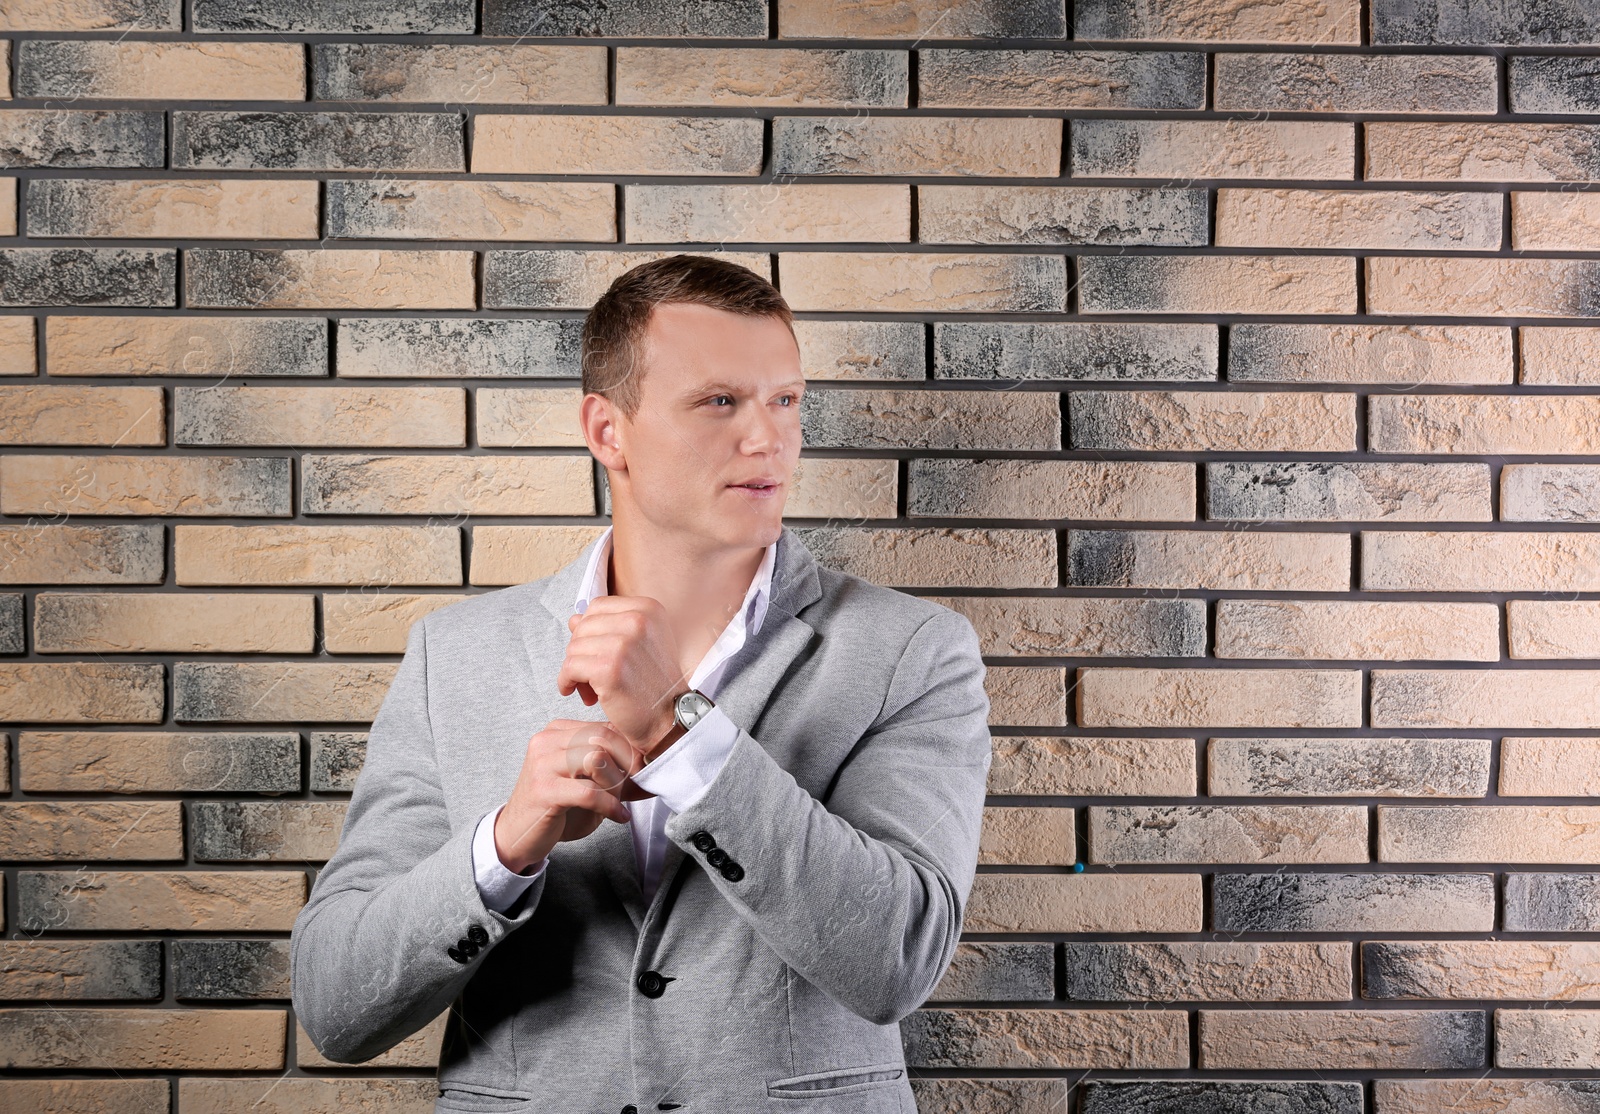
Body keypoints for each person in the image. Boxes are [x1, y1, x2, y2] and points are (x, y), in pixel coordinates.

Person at [289, 253, 993, 1114]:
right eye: (719, 402)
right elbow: (335, 1009)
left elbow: (897, 961)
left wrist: (679, 727)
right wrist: (504, 848)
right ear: (606, 431)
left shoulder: (913, 650)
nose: (768, 437)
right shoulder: (456, 655)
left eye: (786, 400)